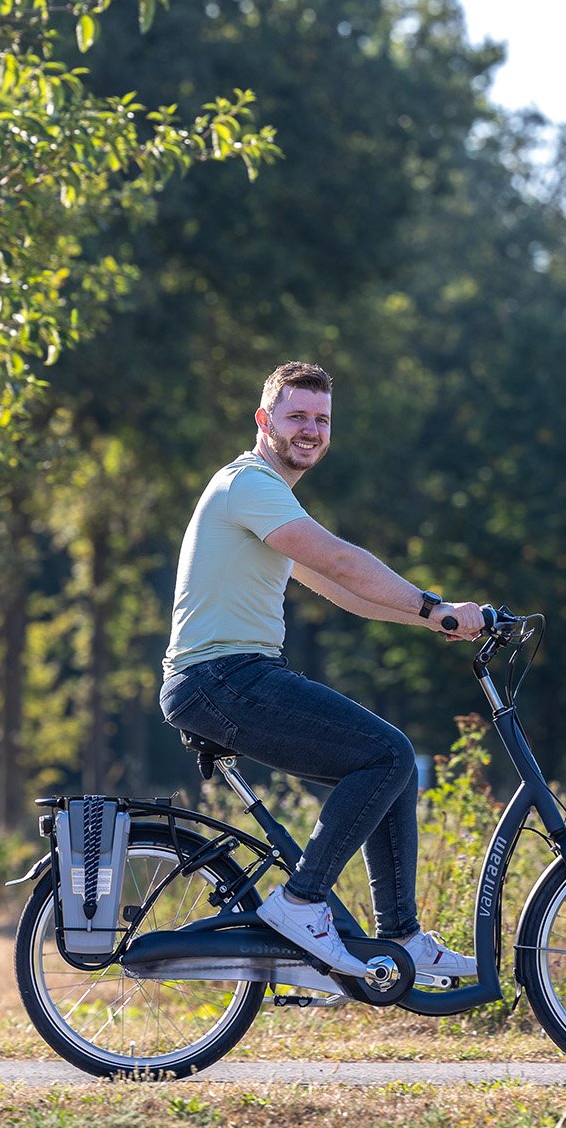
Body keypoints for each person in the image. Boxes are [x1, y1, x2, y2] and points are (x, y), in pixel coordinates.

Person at [158, 361, 483, 980]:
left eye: (322, 420)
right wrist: (438, 606)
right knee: (387, 756)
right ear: (264, 421)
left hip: (230, 679)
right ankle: (302, 903)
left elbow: (342, 590)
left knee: (391, 767)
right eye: (297, 416)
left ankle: (402, 938)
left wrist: (434, 621)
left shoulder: (269, 499)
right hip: (220, 679)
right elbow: (341, 559)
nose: (311, 430)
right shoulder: (248, 485)